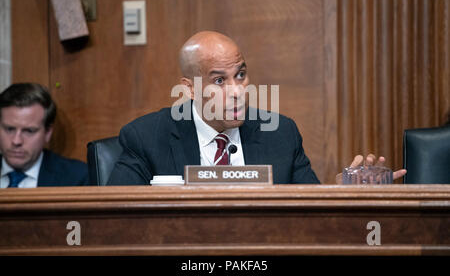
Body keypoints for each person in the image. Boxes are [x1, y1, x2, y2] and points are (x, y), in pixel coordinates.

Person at [107, 31, 406, 185]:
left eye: (240, 75)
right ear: (188, 89)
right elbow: (116, 220)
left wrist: (339, 193)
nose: (238, 92)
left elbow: (307, 211)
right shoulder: (145, 138)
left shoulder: (281, 133)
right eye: (219, 81)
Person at [0, 83, 89, 187]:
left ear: (47, 133)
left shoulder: (78, 177)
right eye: (9, 129)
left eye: (29, 131)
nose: (16, 141)